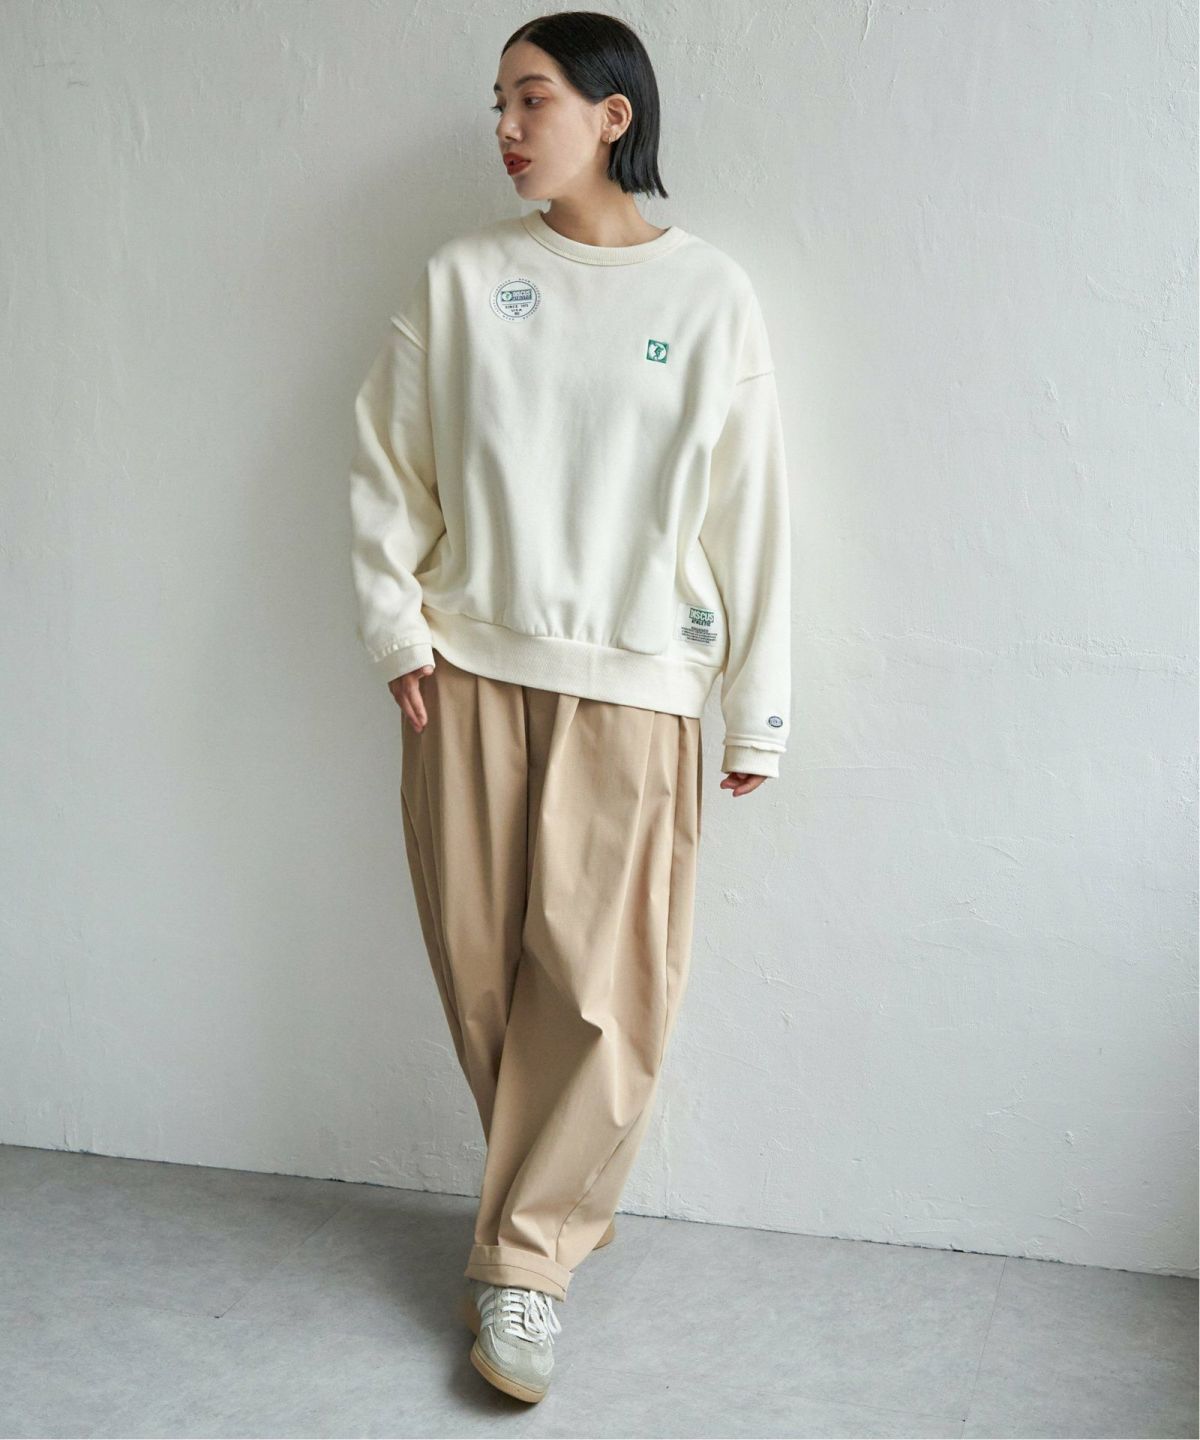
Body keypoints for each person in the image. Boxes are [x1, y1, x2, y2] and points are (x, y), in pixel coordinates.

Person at [347, 10, 792, 1405]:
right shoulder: (461, 279)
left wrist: (759, 708)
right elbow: (388, 468)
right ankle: (541, 1223)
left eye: (531, 98)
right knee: (486, 977)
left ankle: (525, 1265)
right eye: (496, 101)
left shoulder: (709, 295)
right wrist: (394, 627)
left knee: (606, 994)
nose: (504, 126)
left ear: (614, 114)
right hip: (466, 674)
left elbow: (751, 514)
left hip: (638, 685)